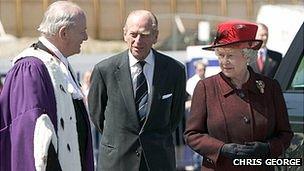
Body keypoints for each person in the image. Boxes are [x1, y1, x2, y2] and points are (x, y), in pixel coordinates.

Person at [184, 20, 293, 171]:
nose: (224, 61)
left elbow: (285, 134)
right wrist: (221, 149)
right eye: (220, 55)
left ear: (248, 56)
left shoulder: (270, 87)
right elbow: (192, 135)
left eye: (230, 55)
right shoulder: (206, 87)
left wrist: (267, 148)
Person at [0, 1, 93, 171]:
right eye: (82, 31)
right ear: (64, 33)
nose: (85, 37)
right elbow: (32, 140)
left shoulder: (58, 65)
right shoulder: (31, 69)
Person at [88, 10, 186, 171]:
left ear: (156, 36)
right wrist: (120, 140)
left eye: (145, 34)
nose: (138, 41)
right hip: (117, 162)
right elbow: (97, 115)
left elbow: (175, 116)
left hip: (158, 162)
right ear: (125, 34)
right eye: (133, 34)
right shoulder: (104, 70)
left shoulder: (174, 70)